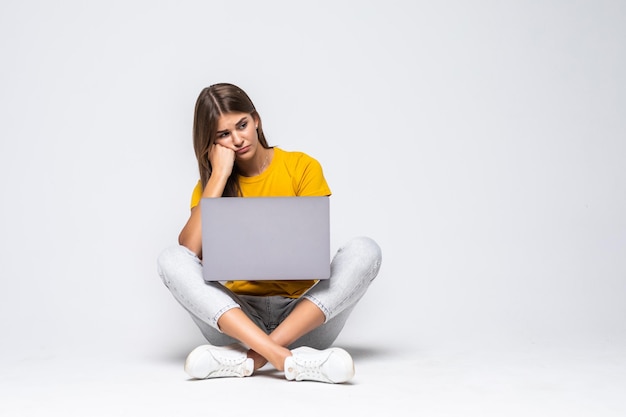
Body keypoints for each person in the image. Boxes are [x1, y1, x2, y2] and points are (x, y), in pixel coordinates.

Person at [157, 83, 382, 384]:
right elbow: (187, 251)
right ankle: (287, 360)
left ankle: (252, 359)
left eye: (242, 125)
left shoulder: (301, 167)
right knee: (170, 258)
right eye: (224, 134)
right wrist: (220, 176)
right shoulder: (211, 188)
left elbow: (311, 244)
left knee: (366, 249)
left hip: (302, 319)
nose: (237, 139)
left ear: (256, 119)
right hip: (238, 319)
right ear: (211, 142)